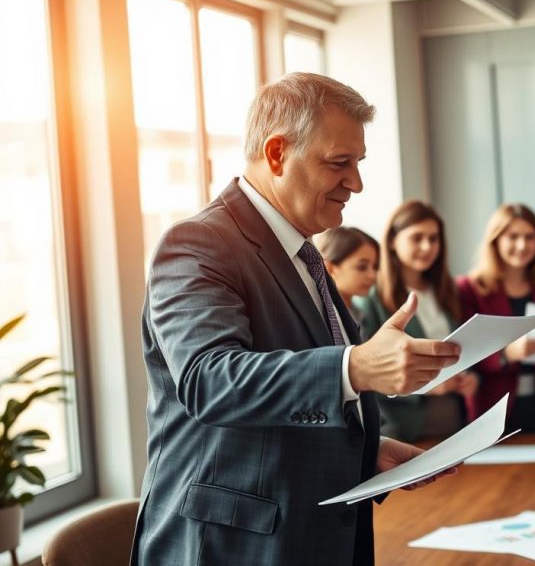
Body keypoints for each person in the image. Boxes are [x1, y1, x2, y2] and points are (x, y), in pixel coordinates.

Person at [132, 73, 460, 566]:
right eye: (339, 164)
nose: (356, 183)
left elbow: (284, 402)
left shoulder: (302, 250)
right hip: (233, 547)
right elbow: (209, 380)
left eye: (358, 163)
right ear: (277, 153)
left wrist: (362, 449)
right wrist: (354, 368)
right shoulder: (198, 244)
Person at [356, 200, 478, 441]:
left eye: (434, 239)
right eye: (417, 237)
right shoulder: (373, 299)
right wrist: (427, 387)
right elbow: (367, 373)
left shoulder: (447, 291)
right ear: (392, 241)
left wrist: (471, 377)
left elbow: (461, 349)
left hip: (455, 422)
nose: (427, 246)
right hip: (404, 430)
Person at [458, 203, 535, 432]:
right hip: (493, 405)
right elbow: (465, 349)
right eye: (513, 236)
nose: (522, 245)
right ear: (496, 241)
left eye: (530, 237)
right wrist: (506, 354)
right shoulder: (470, 288)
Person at [316, 226, 379, 318]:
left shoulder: (361, 315)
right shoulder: (320, 315)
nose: (372, 275)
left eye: (375, 267)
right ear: (329, 268)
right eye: (362, 267)